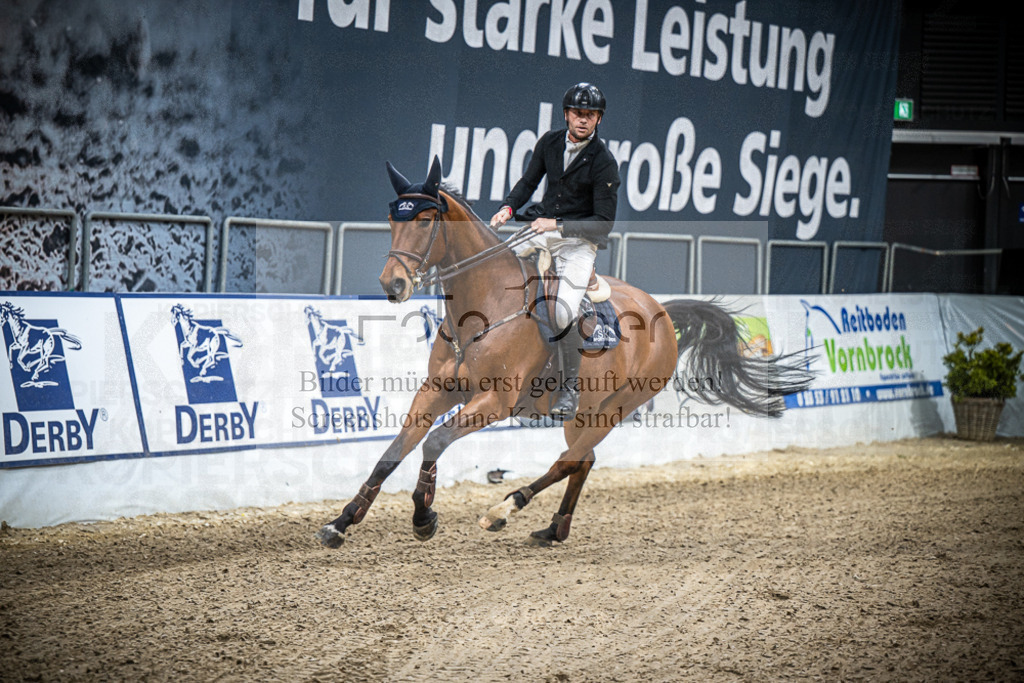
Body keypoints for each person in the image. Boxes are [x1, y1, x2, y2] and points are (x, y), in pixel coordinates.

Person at [490, 82, 621, 420]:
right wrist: (508, 208)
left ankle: (569, 389)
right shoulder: (549, 142)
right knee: (495, 264)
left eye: (590, 115)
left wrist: (558, 225)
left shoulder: (604, 162)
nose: (583, 120)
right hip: (542, 229)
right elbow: (528, 183)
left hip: (578, 243)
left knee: (563, 313)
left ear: (598, 120)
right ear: (567, 114)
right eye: (578, 113)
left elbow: (603, 223)